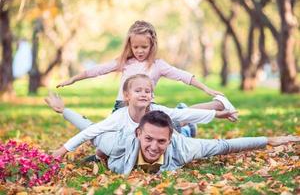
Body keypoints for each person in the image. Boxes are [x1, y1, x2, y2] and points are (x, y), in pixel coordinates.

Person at [55, 20, 237, 122]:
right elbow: (96, 70)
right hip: (122, 108)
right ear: (130, 45)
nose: (140, 51)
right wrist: (73, 79)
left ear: (152, 45)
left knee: (178, 120)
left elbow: (183, 76)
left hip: (147, 108)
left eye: (144, 46)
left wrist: (207, 89)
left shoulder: (158, 65)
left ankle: (216, 104)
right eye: (136, 47)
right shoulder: (124, 62)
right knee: (110, 134)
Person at [49, 107, 299, 174]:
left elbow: (226, 146)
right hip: (129, 138)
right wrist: (64, 111)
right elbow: (90, 129)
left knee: (190, 132)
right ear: (138, 133)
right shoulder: (117, 143)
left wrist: (270, 140)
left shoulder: (185, 149)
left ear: (169, 140)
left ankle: (185, 124)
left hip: (184, 136)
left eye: (161, 141)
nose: (153, 147)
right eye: (148, 139)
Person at [46, 74, 237, 162]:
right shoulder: (120, 117)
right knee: (182, 127)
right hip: (154, 137)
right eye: (138, 90)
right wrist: (62, 150)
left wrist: (216, 114)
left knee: (180, 119)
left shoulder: (155, 109)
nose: (144, 94)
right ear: (127, 96)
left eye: (148, 91)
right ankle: (188, 130)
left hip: (166, 132)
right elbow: (89, 130)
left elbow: (183, 115)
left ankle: (213, 106)